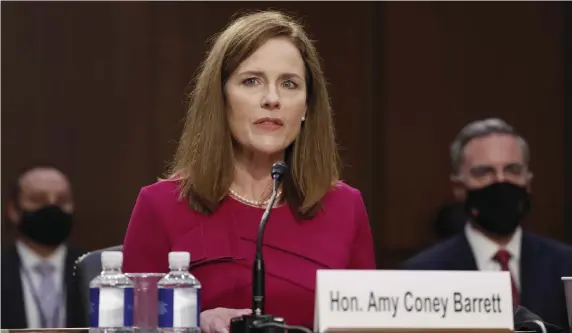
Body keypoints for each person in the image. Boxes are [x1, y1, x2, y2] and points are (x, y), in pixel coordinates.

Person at [122, 10, 376, 333]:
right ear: (221, 97)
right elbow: (128, 325)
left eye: (289, 84)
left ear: (307, 107)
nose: (272, 99)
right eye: (251, 81)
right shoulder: (160, 206)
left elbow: (367, 325)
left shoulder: (345, 207)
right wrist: (191, 323)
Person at [402, 118, 572, 329]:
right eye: (484, 172)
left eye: (512, 170)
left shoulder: (566, 264)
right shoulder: (423, 275)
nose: (500, 181)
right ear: (458, 186)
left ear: (528, 182)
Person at [1, 165, 86, 329]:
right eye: (38, 199)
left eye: (62, 201)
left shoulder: (91, 270)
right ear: (13, 210)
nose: (52, 207)